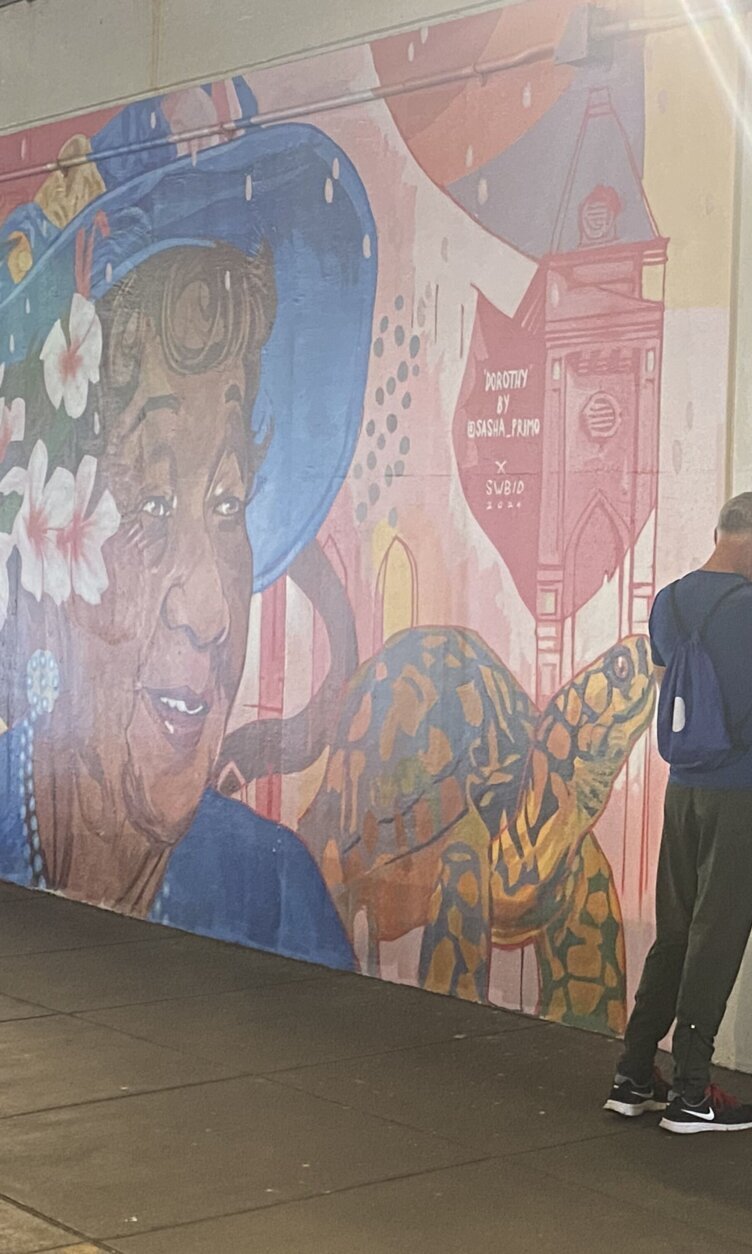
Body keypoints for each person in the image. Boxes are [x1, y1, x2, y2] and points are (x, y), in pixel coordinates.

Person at [0, 92, 378, 969]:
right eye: (152, 503)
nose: (213, 607)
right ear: (48, 537)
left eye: (226, 504)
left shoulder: (278, 901)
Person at [605, 492, 752, 1133]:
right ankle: (691, 1094)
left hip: (683, 790)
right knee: (716, 938)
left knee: (674, 934)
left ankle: (634, 1074)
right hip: (741, 796)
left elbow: (676, 682)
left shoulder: (667, 602)